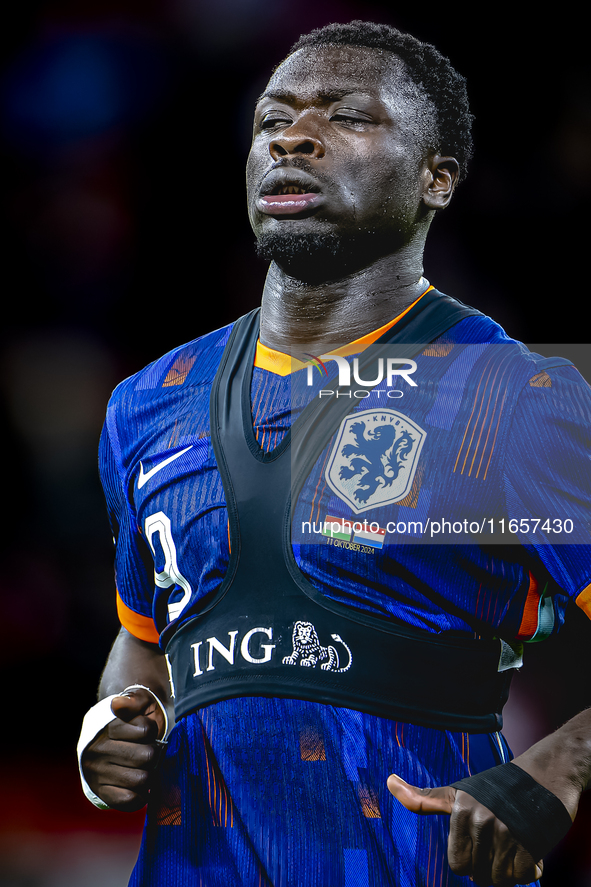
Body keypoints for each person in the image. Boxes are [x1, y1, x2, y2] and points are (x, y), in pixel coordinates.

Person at [78, 20, 591, 887]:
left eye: (345, 117)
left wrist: (557, 771)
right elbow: (147, 648)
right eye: (271, 119)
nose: (291, 135)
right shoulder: (147, 398)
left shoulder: (513, 397)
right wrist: (107, 732)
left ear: (437, 179)